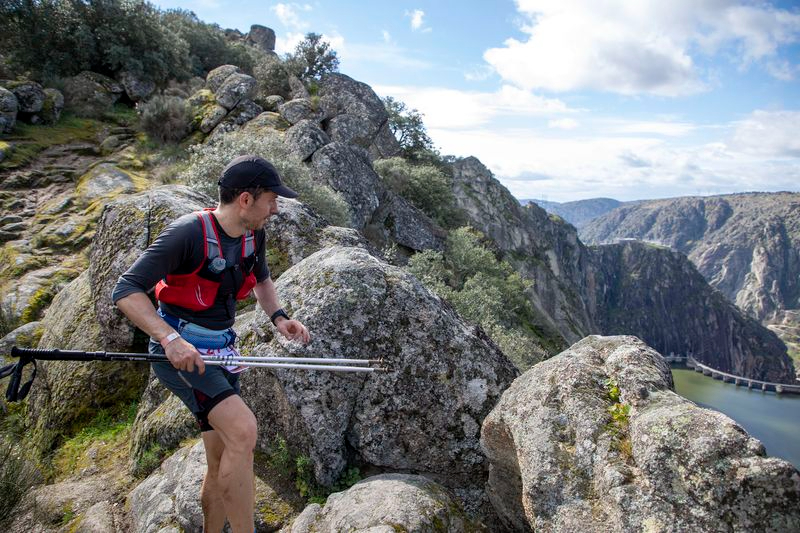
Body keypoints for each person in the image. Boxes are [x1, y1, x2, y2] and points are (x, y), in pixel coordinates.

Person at [112, 154, 310, 533]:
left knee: (221, 454)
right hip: (182, 356)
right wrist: (170, 340)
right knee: (243, 431)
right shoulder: (187, 233)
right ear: (246, 200)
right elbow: (126, 290)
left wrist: (280, 318)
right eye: (272, 198)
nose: (276, 207)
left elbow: (263, 280)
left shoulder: (254, 234)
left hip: (221, 349)